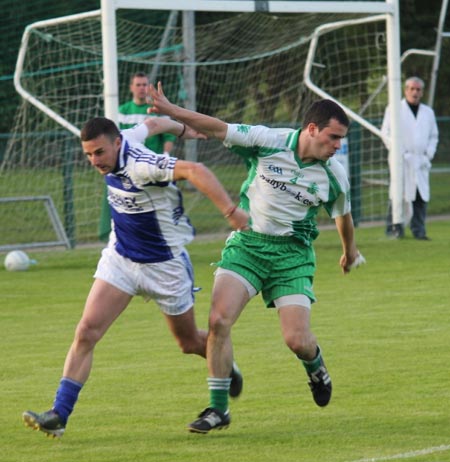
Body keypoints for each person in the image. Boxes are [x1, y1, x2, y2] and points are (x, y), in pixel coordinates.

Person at [148, 82, 364, 433]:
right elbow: (218, 127)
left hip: (292, 256)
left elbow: (343, 217)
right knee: (219, 320)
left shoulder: (333, 175)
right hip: (248, 246)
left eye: (341, 139)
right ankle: (218, 410)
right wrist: (172, 110)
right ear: (312, 129)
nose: (338, 146)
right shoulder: (268, 139)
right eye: (334, 137)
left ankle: (316, 366)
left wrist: (349, 252)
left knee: (297, 340)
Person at [22, 116, 248, 438]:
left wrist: (231, 212)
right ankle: (59, 414)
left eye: (99, 153)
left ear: (116, 144)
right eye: (88, 155)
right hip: (121, 260)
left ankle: (222, 363)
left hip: (165, 267)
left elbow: (196, 171)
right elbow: (154, 123)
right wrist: (184, 129)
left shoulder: (144, 164)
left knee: (187, 343)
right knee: (86, 331)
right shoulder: (122, 136)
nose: (94, 161)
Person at [99, 72, 178, 241]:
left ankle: (164, 237)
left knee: (156, 209)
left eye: (144, 85)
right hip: (128, 170)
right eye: (138, 85)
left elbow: (169, 135)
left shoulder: (157, 110)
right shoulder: (122, 111)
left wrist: (165, 155)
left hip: (152, 168)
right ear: (131, 88)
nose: (141, 88)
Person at [381, 76, 439, 240]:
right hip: (401, 161)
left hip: (421, 161)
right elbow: (386, 133)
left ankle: (419, 231)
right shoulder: (394, 108)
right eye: (411, 89)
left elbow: (434, 136)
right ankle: (393, 229)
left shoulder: (428, 112)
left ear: (422, 92)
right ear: (406, 90)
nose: (415, 92)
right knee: (398, 194)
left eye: (418, 89)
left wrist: (428, 154)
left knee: (421, 196)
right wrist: (400, 152)